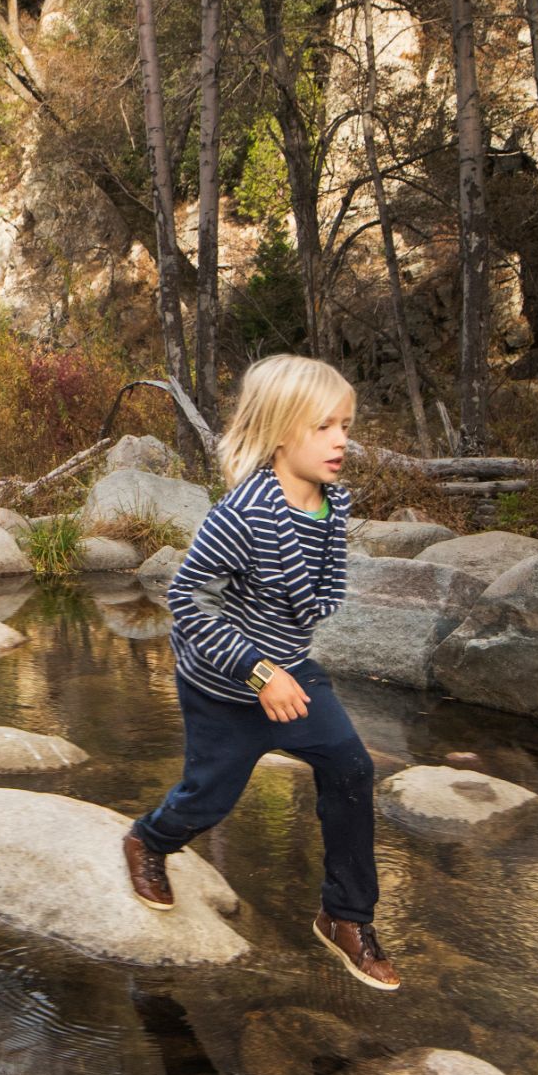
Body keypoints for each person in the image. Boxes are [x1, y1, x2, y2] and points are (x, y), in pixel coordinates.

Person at [120, 355, 398, 990]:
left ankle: (345, 915)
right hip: (226, 687)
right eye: (323, 427)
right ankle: (149, 841)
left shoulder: (330, 507)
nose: (341, 441)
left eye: (345, 425)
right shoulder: (240, 515)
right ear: (279, 431)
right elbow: (186, 601)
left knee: (351, 768)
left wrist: (281, 670)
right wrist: (256, 672)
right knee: (209, 799)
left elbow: (310, 595)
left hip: (293, 672)